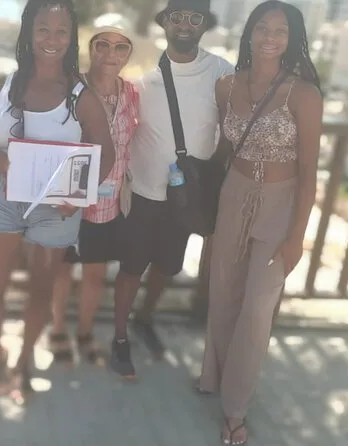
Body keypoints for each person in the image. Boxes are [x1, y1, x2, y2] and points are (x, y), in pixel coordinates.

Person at [197, 2, 323, 444]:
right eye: (262, 27)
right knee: (223, 293)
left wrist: (297, 237)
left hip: (281, 201)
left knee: (256, 309)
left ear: (292, 39)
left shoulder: (303, 94)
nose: (270, 36)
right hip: (234, 194)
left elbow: (309, 171)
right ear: (249, 32)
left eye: (280, 31)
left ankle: (235, 408)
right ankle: (213, 375)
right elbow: (222, 149)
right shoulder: (226, 86)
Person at [0, 0, 115, 401]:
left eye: (61, 31)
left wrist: (79, 197)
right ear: (29, 32)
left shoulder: (78, 94)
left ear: (71, 38)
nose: (51, 39)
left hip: (56, 209)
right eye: (43, 29)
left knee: (40, 291)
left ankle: (23, 362)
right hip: (6, 199)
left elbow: (106, 152)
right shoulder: (6, 83)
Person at [110, 0, 234, 378]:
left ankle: (145, 319)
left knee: (167, 265)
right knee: (132, 268)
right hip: (145, 190)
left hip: (188, 196)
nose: (185, 24)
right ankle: (119, 337)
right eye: (177, 17)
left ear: (205, 25)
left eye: (194, 18)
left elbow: (231, 129)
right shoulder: (141, 73)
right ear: (164, 22)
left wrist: (210, 175)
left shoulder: (221, 72)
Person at [49, 20, 139, 365]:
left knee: (95, 273)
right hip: (67, 198)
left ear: (129, 53)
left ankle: (85, 332)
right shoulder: (70, 89)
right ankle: (58, 329)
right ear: (90, 48)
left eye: (120, 46)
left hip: (107, 201)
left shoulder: (133, 94)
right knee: (61, 269)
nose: (111, 53)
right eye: (103, 44)